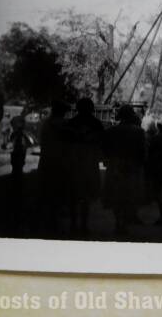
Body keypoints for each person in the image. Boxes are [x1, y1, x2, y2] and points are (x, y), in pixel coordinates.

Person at [103, 105, 146, 236]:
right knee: (128, 195)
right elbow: (142, 152)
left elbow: (105, 150)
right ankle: (124, 223)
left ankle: (118, 222)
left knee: (116, 195)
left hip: (115, 165)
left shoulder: (111, 131)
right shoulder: (138, 132)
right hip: (132, 166)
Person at [65, 97, 104, 235]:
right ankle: (83, 225)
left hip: (74, 163)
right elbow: (101, 143)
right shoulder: (97, 124)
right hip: (89, 163)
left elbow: (66, 144)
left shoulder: (71, 123)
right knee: (86, 196)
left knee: (74, 195)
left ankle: (74, 224)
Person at [37, 100, 70, 234]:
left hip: (46, 160)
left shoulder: (46, 124)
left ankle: (47, 221)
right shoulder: (65, 125)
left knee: (47, 191)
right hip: (60, 161)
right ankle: (54, 222)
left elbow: (42, 141)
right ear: (62, 112)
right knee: (58, 191)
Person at [144, 115, 162, 225]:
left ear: (159, 126)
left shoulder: (156, 138)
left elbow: (150, 153)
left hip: (158, 168)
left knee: (159, 192)